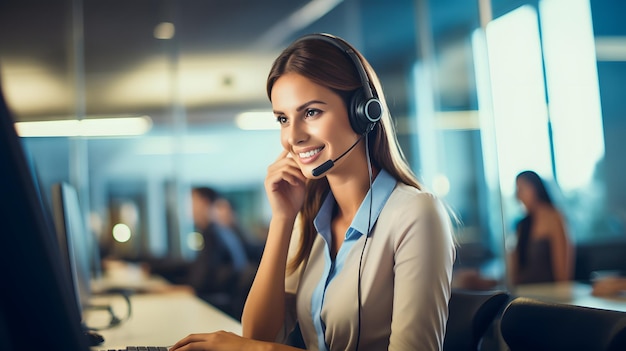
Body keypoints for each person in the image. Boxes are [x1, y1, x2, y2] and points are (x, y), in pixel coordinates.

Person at [171, 33, 456, 350]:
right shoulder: (309, 220)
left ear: (363, 111)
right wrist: (283, 218)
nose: (293, 136)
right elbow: (257, 336)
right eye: (282, 118)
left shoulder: (415, 213)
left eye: (311, 112)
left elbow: (256, 348)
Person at [508, 170, 574, 285]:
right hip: (525, 294)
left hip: (550, 295)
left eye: (521, 189)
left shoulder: (554, 218)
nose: (518, 196)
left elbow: (563, 275)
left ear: (535, 188)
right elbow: (515, 273)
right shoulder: (522, 224)